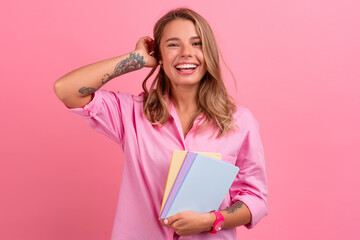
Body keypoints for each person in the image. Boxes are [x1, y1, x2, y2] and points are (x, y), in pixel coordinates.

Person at [54, 8, 267, 240]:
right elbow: (66, 90)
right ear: (159, 56)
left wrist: (210, 220)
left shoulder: (239, 121)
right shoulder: (133, 113)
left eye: (197, 43)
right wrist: (135, 59)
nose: (186, 53)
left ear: (209, 53)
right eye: (173, 45)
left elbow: (254, 198)